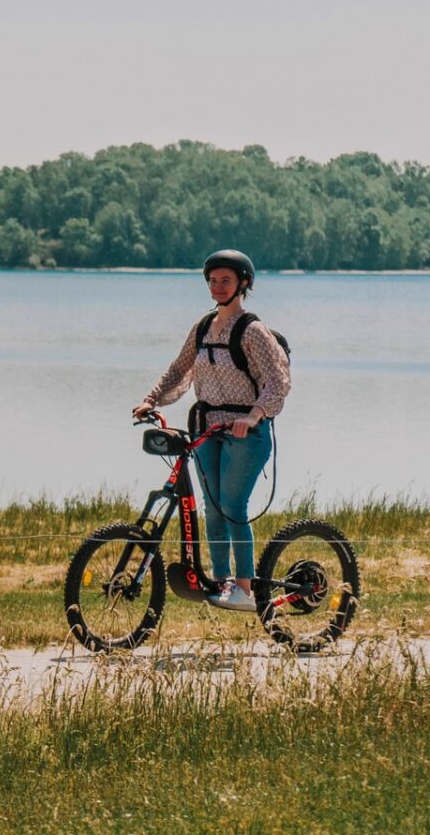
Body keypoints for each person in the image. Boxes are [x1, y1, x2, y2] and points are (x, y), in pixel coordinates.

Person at [132, 248, 290, 611]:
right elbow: (179, 370)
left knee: (232, 506)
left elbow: (277, 381)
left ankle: (245, 590)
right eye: (213, 281)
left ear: (243, 284)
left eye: (226, 281)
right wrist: (151, 400)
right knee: (213, 509)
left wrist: (254, 416)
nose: (218, 287)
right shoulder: (203, 328)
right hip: (207, 429)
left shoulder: (253, 331)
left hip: (246, 433)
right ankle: (222, 582)